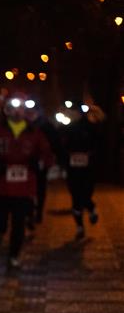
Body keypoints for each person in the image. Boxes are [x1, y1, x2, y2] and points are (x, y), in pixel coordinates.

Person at [0, 93, 53, 269]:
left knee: (19, 222)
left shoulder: (35, 133)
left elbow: (47, 155)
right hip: (0, 187)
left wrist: (39, 163)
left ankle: (14, 254)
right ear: (6, 110)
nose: (17, 112)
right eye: (13, 108)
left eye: (21, 108)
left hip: (24, 188)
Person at [59, 102, 99, 240]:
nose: (73, 114)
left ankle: (91, 209)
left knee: (86, 194)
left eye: (75, 112)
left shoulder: (91, 127)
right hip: (73, 169)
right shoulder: (67, 129)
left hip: (87, 169)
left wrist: (90, 154)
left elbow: (98, 145)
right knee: (76, 196)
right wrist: (67, 156)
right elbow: (61, 146)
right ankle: (80, 226)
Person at [24, 99, 59, 226]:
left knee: (40, 188)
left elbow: (55, 143)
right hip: (25, 163)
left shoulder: (47, 126)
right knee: (26, 189)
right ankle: (28, 213)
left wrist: (49, 159)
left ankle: (38, 211)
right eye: (28, 111)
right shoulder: (22, 125)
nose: (31, 113)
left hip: (41, 163)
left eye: (33, 110)